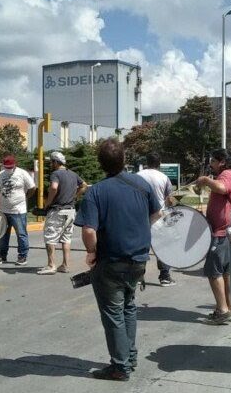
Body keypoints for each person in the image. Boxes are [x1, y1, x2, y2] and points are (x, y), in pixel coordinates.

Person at [74, 138, 162, 381]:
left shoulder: (96, 192)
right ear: (124, 159)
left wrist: (91, 253)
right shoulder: (141, 185)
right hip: (139, 260)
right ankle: (130, 357)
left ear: (101, 164)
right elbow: (156, 213)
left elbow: (89, 230)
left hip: (111, 261)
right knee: (129, 307)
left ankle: (120, 366)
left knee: (113, 312)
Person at [195, 149, 231, 325]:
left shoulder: (227, 174)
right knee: (226, 273)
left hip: (220, 233)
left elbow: (222, 188)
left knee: (214, 272)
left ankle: (222, 311)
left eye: (213, 161)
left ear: (221, 161)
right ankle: (229, 308)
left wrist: (206, 180)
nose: (211, 164)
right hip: (225, 232)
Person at [37, 151, 87, 275]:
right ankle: (65, 265)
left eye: (51, 162)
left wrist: (48, 203)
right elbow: (84, 185)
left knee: (50, 237)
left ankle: (51, 265)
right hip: (70, 211)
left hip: (57, 210)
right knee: (66, 238)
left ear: (56, 162)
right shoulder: (73, 174)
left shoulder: (56, 174)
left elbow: (54, 187)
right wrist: (75, 196)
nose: (50, 164)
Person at [136, 152, 176, 286]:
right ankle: (164, 276)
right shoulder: (164, 178)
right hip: (159, 216)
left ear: (147, 162)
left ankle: (138, 276)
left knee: (141, 247)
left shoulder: (137, 176)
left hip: (140, 215)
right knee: (162, 246)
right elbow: (169, 199)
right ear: (159, 163)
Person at [0, 154, 36, 266]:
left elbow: (32, 187)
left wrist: (25, 197)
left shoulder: (22, 173)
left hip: (18, 211)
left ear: (15, 164)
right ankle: (2, 256)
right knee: (3, 235)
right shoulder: (0, 175)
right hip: (3, 210)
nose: (8, 169)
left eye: (10, 167)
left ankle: (22, 256)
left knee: (21, 234)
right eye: (6, 167)